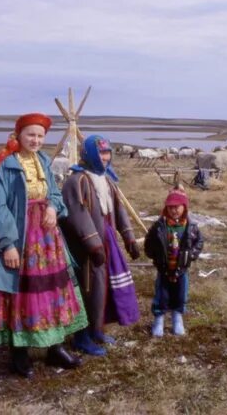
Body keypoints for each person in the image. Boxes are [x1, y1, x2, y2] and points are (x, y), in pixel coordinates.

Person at [0, 113, 88, 380]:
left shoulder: (44, 161)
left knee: (51, 291)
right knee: (22, 294)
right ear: (18, 135)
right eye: (31, 135)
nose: (36, 140)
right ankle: (19, 353)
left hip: (48, 241)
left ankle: (54, 347)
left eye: (40, 136)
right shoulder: (4, 166)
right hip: (21, 238)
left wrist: (52, 206)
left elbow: (54, 193)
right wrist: (8, 245)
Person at [60, 135, 141, 356]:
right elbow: (77, 215)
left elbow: (119, 210)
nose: (105, 158)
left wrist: (129, 238)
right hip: (85, 248)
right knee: (88, 287)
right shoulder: (77, 181)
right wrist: (93, 245)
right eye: (101, 153)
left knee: (104, 286)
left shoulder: (106, 180)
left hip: (108, 242)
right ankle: (81, 336)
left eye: (107, 153)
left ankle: (97, 329)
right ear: (89, 155)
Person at [144, 188, 203, 337]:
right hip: (164, 269)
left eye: (177, 207)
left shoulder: (190, 227)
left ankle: (177, 318)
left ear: (184, 207)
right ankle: (159, 319)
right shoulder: (160, 226)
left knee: (181, 294)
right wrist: (154, 256)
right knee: (161, 294)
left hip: (181, 269)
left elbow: (199, 242)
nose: (174, 210)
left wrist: (192, 255)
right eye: (170, 207)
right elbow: (149, 242)